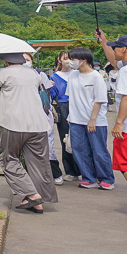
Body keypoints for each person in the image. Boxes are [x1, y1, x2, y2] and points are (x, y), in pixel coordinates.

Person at [0, 52, 57, 213]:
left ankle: (32, 195)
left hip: (14, 124)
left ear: (5, 60)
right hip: (38, 125)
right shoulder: (33, 73)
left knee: (9, 159)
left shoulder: (3, 72)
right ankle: (38, 202)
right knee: (39, 163)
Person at [66, 47, 115, 189]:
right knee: (79, 150)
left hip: (94, 121)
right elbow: (72, 98)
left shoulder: (96, 76)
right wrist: (70, 116)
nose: (71, 62)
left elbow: (99, 100)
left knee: (99, 150)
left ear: (83, 60)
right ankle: (89, 177)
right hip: (76, 120)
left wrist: (92, 119)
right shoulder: (73, 76)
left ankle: (106, 178)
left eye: (73, 59)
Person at [25, 53, 63, 185]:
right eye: (23, 60)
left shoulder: (39, 75)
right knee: (30, 147)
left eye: (28, 59)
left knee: (48, 145)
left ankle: (55, 173)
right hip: (25, 116)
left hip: (42, 114)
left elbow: (48, 94)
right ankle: (35, 175)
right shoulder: (16, 76)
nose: (26, 62)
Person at [49, 51, 80, 181]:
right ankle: (71, 171)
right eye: (65, 58)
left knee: (80, 139)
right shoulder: (54, 77)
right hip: (63, 107)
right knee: (65, 139)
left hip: (78, 105)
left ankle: (84, 169)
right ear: (59, 60)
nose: (68, 61)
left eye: (70, 58)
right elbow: (52, 95)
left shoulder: (78, 74)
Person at [104, 35, 127, 183]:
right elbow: (113, 61)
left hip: (126, 128)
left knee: (124, 165)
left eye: (115, 48)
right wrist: (103, 40)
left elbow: (126, 97)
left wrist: (118, 123)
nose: (114, 51)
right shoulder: (123, 67)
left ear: (124, 49)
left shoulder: (125, 71)